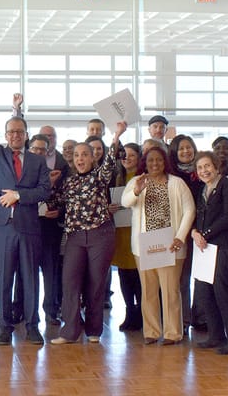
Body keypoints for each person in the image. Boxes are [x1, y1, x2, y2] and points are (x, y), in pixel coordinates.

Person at [0, 84, 51, 346]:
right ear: (5, 135)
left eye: (20, 131)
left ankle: (32, 326)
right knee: (4, 278)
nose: (15, 135)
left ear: (26, 135)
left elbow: (44, 190)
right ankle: (4, 326)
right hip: (3, 226)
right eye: (11, 132)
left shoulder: (37, 160)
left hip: (29, 226)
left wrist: (19, 195)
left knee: (30, 279)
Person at [47, 121, 125, 344]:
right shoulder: (68, 182)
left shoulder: (100, 177)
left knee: (96, 283)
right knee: (70, 282)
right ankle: (70, 331)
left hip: (101, 235)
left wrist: (116, 135)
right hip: (75, 237)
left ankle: (93, 330)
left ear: (92, 158)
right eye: (77, 155)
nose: (80, 159)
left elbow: (110, 162)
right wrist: (51, 184)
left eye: (84, 155)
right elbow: (54, 203)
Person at [121, 146, 194, 346]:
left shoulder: (177, 183)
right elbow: (125, 202)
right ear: (144, 163)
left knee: (171, 290)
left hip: (171, 246)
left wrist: (180, 237)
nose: (155, 164)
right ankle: (151, 331)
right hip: (144, 246)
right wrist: (136, 191)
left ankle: (173, 333)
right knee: (148, 290)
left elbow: (189, 210)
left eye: (159, 160)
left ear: (165, 162)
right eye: (151, 160)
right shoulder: (137, 181)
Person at [189, 152, 228, 354]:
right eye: (200, 168)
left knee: (222, 291)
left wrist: (205, 234)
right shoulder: (203, 189)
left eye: (207, 166)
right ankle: (216, 336)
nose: (204, 171)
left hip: (222, 245)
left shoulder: (227, 186)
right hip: (204, 248)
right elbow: (198, 217)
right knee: (204, 292)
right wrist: (195, 232)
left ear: (216, 166)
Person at [29, 133, 66, 325]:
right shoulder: (21, 174)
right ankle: (26, 311)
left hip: (50, 230)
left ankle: (51, 311)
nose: (38, 152)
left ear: (47, 152)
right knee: (27, 274)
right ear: (29, 150)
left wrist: (59, 211)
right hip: (28, 229)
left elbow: (65, 199)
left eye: (42, 150)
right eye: (35, 149)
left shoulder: (56, 174)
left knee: (51, 273)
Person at [168, 134, 200, 331]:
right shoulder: (170, 175)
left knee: (203, 278)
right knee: (182, 278)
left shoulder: (202, 171)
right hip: (178, 233)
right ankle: (184, 319)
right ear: (174, 152)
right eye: (181, 148)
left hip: (202, 232)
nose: (186, 151)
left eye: (189, 147)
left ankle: (201, 317)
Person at [112, 142, 142, 331]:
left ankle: (141, 313)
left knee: (138, 275)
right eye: (124, 155)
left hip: (137, 232)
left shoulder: (142, 178)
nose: (127, 158)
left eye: (132, 155)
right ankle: (129, 311)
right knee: (124, 275)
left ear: (139, 157)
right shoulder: (117, 177)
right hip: (121, 232)